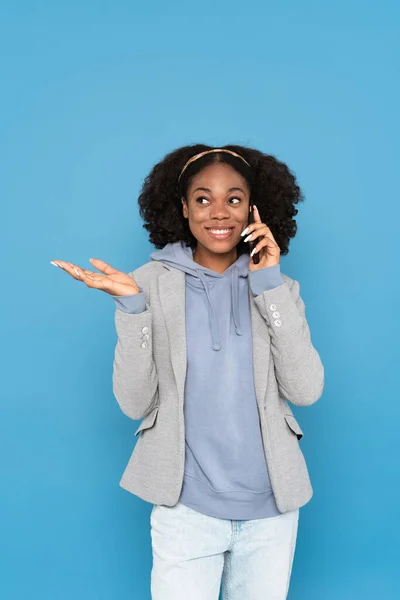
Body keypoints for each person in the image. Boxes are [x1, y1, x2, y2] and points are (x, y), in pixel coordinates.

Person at [51, 144, 324, 599]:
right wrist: (133, 309)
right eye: (203, 198)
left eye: (234, 199)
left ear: (255, 208)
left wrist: (270, 287)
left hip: (271, 511)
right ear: (182, 207)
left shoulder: (278, 286)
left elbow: (306, 389)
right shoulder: (148, 283)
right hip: (186, 509)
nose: (219, 212)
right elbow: (134, 403)